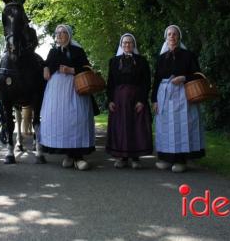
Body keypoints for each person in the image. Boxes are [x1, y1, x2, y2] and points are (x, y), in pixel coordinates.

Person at [39, 24, 96, 171]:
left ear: (68, 35)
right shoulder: (53, 51)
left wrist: (71, 70)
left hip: (75, 88)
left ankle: (78, 156)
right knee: (62, 122)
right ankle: (69, 155)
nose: (59, 35)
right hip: (57, 92)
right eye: (57, 33)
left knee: (76, 119)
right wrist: (45, 68)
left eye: (62, 33)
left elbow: (87, 68)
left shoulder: (77, 51)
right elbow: (47, 64)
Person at [151, 25, 205, 173]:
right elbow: (156, 79)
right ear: (166, 38)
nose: (172, 37)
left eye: (174, 34)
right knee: (165, 127)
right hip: (164, 96)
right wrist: (154, 100)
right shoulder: (161, 58)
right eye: (169, 35)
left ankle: (181, 160)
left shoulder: (188, 55)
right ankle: (166, 158)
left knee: (182, 126)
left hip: (183, 95)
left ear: (179, 37)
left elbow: (198, 75)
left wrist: (184, 77)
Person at [106, 33, 152, 169]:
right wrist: (110, 100)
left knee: (135, 127)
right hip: (119, 100)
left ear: (134, 45)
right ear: (121, 45)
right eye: (125, 43)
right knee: (120, 127)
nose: (127, 45)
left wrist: (142, 100)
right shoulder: (113, 61)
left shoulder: (142, 61)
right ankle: (122, 158)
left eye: (130, 42)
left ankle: (135, 158)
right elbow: (110, 83)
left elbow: (146, 82)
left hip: (136, 99)